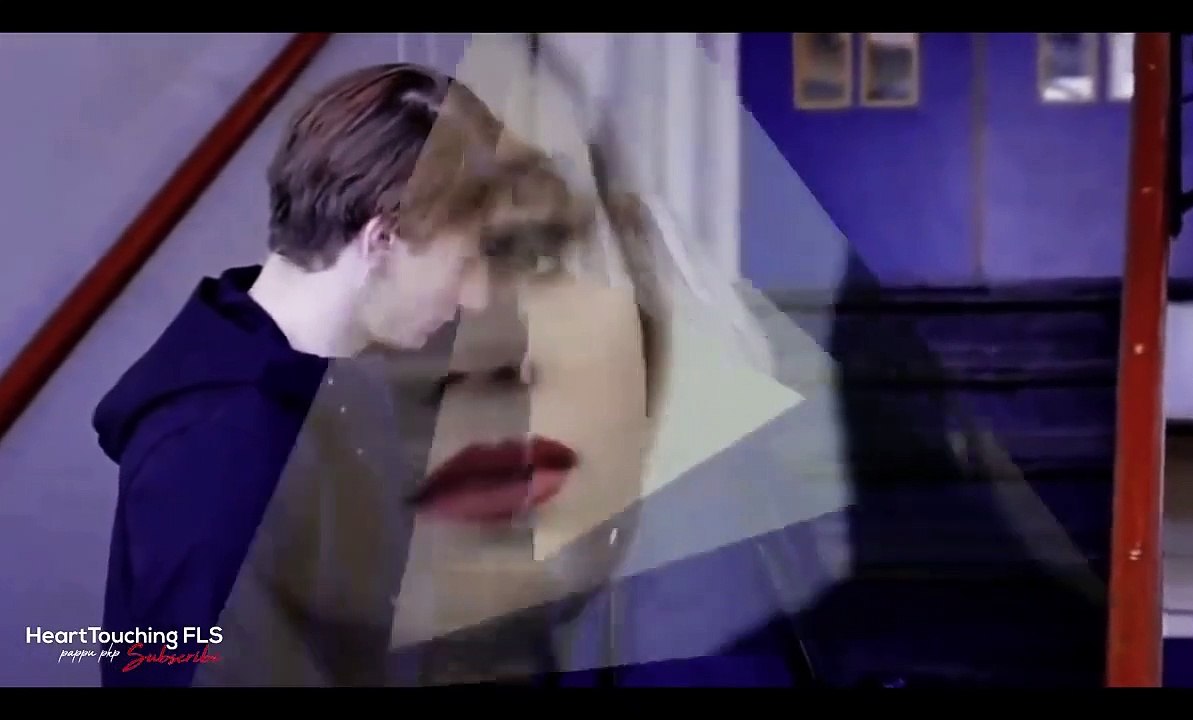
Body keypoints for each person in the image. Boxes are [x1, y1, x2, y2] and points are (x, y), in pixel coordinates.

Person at [93, 54, 830, 686]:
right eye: (468, 256)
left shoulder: (335, 388)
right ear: (384, 238)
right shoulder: (225, 442)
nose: (477, 296)